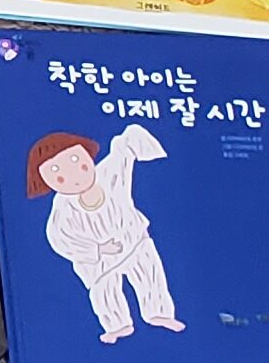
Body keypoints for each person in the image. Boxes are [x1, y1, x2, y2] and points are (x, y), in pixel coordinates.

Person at [26, 124, 181, 343]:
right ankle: (117, 325)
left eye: (76, 161)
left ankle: (159, 312)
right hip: (99, 261)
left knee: (149, 273)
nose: (73, 175)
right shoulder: (62, 209)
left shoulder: (108, 173)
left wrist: (133, 140)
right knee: (105, 290)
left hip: (132, 239)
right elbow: (60, 239)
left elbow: (123, 151)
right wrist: (97, 249)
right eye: (58, 175)